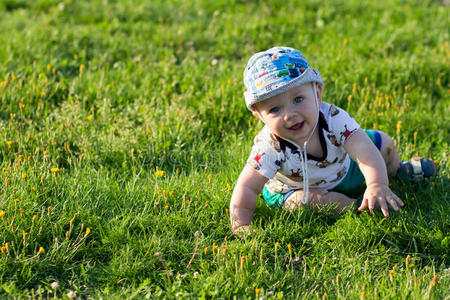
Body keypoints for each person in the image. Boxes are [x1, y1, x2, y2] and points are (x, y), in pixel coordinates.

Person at [229, 47, 437, 234]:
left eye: (298, 99)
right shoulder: (269, 146)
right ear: (259, 115)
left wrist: (376, 183)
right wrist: (241, 224)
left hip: (344, 170)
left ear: (317, 94)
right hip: (295, 188)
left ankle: (396, 173)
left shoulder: (333, 118)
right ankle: (360, 206)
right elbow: (247, 187)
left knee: (382, 142)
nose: (289, 115)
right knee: (309, 202)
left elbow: (363, 150)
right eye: (275, 109)